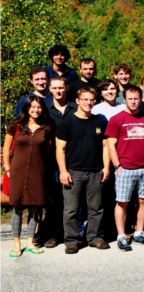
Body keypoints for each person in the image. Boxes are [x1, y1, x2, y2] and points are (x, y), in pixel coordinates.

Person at [56, 87, 111, 253]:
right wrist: (63, 171)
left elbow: (105, 146)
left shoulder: (100, 122)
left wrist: (106, 167)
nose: (89, 103)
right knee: (71, 209)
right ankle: (72, 240)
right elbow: (60, 149)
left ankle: (95, 238)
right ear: (77, 101)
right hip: (74, 172)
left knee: (96, 208)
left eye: (91, 100)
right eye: (85, 99)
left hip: (96, 171)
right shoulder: (66, 122)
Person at [106, 86, 144, 251]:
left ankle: (139, 231)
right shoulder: (116, 119)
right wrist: (117, 166)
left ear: (140, 99)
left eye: (136, 98)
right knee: (122, 202)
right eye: (130, 99)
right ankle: (121, 235)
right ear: (124, 99)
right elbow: (110, 145)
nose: (133, 102)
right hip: (125, 168)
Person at [3, 95, 53, 258]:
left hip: (38, 171)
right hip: (17, 171)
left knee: (35, 207)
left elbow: (48, 150)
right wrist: (8, 169)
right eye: (32, 107)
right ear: (26, 108)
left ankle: (30, 242)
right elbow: (6, 148)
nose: (36, 110)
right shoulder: (16, 125)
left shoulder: (46, 127)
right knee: (17, 208)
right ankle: (16, 243)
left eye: (38, 107)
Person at [41, 77, 75, 248]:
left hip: (75, 160)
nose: (59, 91)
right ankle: (53, 234)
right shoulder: (45, 110)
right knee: (54, 200)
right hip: (52, 162)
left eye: (61, 87)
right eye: (55, 88)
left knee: (73, 201)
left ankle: (72, 234)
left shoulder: (76, 108)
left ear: (67, 88)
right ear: (50, 89)